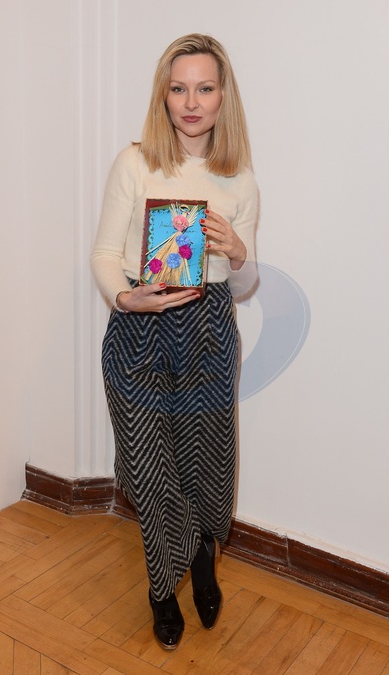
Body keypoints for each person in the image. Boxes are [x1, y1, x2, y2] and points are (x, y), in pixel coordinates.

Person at [91, 33, 259, 650]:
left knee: (206, 462)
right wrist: (124, 297)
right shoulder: (134, 163)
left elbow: (244, 283)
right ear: (163, 95)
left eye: (205, 88)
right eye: (179, 88)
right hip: (138, 327)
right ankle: (163, 590)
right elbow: (104, 253)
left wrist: (237, 253)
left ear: (223, 97)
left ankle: (204, 557)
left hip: (208, 329)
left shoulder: (239, 179)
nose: (191, 102)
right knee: (149, 468)